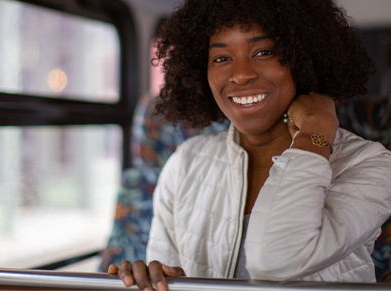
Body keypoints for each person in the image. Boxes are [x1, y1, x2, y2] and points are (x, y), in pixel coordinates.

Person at [108, 0, 391, 289]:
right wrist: (154, 279)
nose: (241, 74)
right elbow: (167, 276)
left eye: (264, 52)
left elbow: (277, 260)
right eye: (221, 58)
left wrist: (317, 131)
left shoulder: (370, 163)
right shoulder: (185, 163)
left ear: (305, 59)